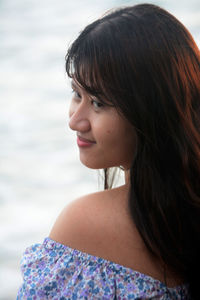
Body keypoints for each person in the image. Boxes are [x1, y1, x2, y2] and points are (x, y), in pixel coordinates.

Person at [17, 3, 200, 299]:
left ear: (150, 113)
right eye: (77, 93)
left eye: (98, 103)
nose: (74, 120)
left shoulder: (82, 227)